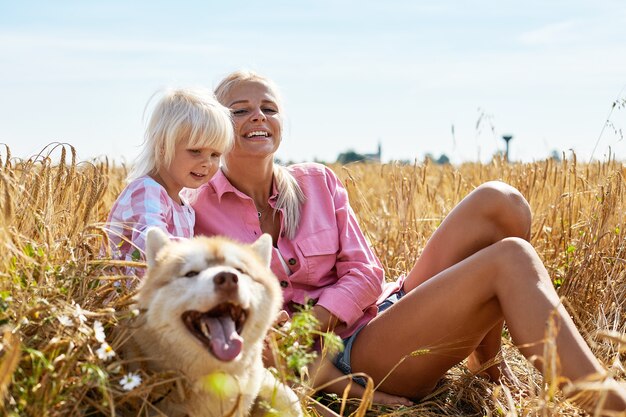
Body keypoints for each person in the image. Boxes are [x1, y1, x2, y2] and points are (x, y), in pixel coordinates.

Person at [188, 70, 626, 414]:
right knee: (510, 260)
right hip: (343, 358)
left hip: (385, 308)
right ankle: (608, 404)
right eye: (239, 110)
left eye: (269, 107)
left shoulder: (317, 180)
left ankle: (486, 366)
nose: (258, 116)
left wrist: (320, 313)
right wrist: (309, 338)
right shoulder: (197, 212)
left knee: (501, 202)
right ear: (216, 126)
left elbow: (366, 272)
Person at [106, 87, 233, 263]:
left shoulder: (184, 206)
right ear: (163, 146)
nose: (207, 163)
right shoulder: (146, 191)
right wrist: (212, 254)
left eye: (215, 155)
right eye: (195, 151)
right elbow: (156, 246)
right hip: (130, 290)